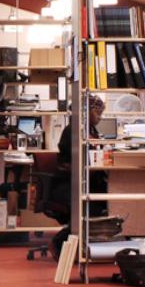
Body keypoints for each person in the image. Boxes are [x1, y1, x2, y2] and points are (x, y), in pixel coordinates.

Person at [45, 95, 108, 256]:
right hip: (68, 184)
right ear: (86, 112)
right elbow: (75, 160)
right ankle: (59, 241)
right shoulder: (73, 130)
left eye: (101, 114)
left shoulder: (90, 129)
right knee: (92, 206)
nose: (100, 118)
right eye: (97, 113)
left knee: (104, 198)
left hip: (83, 180)